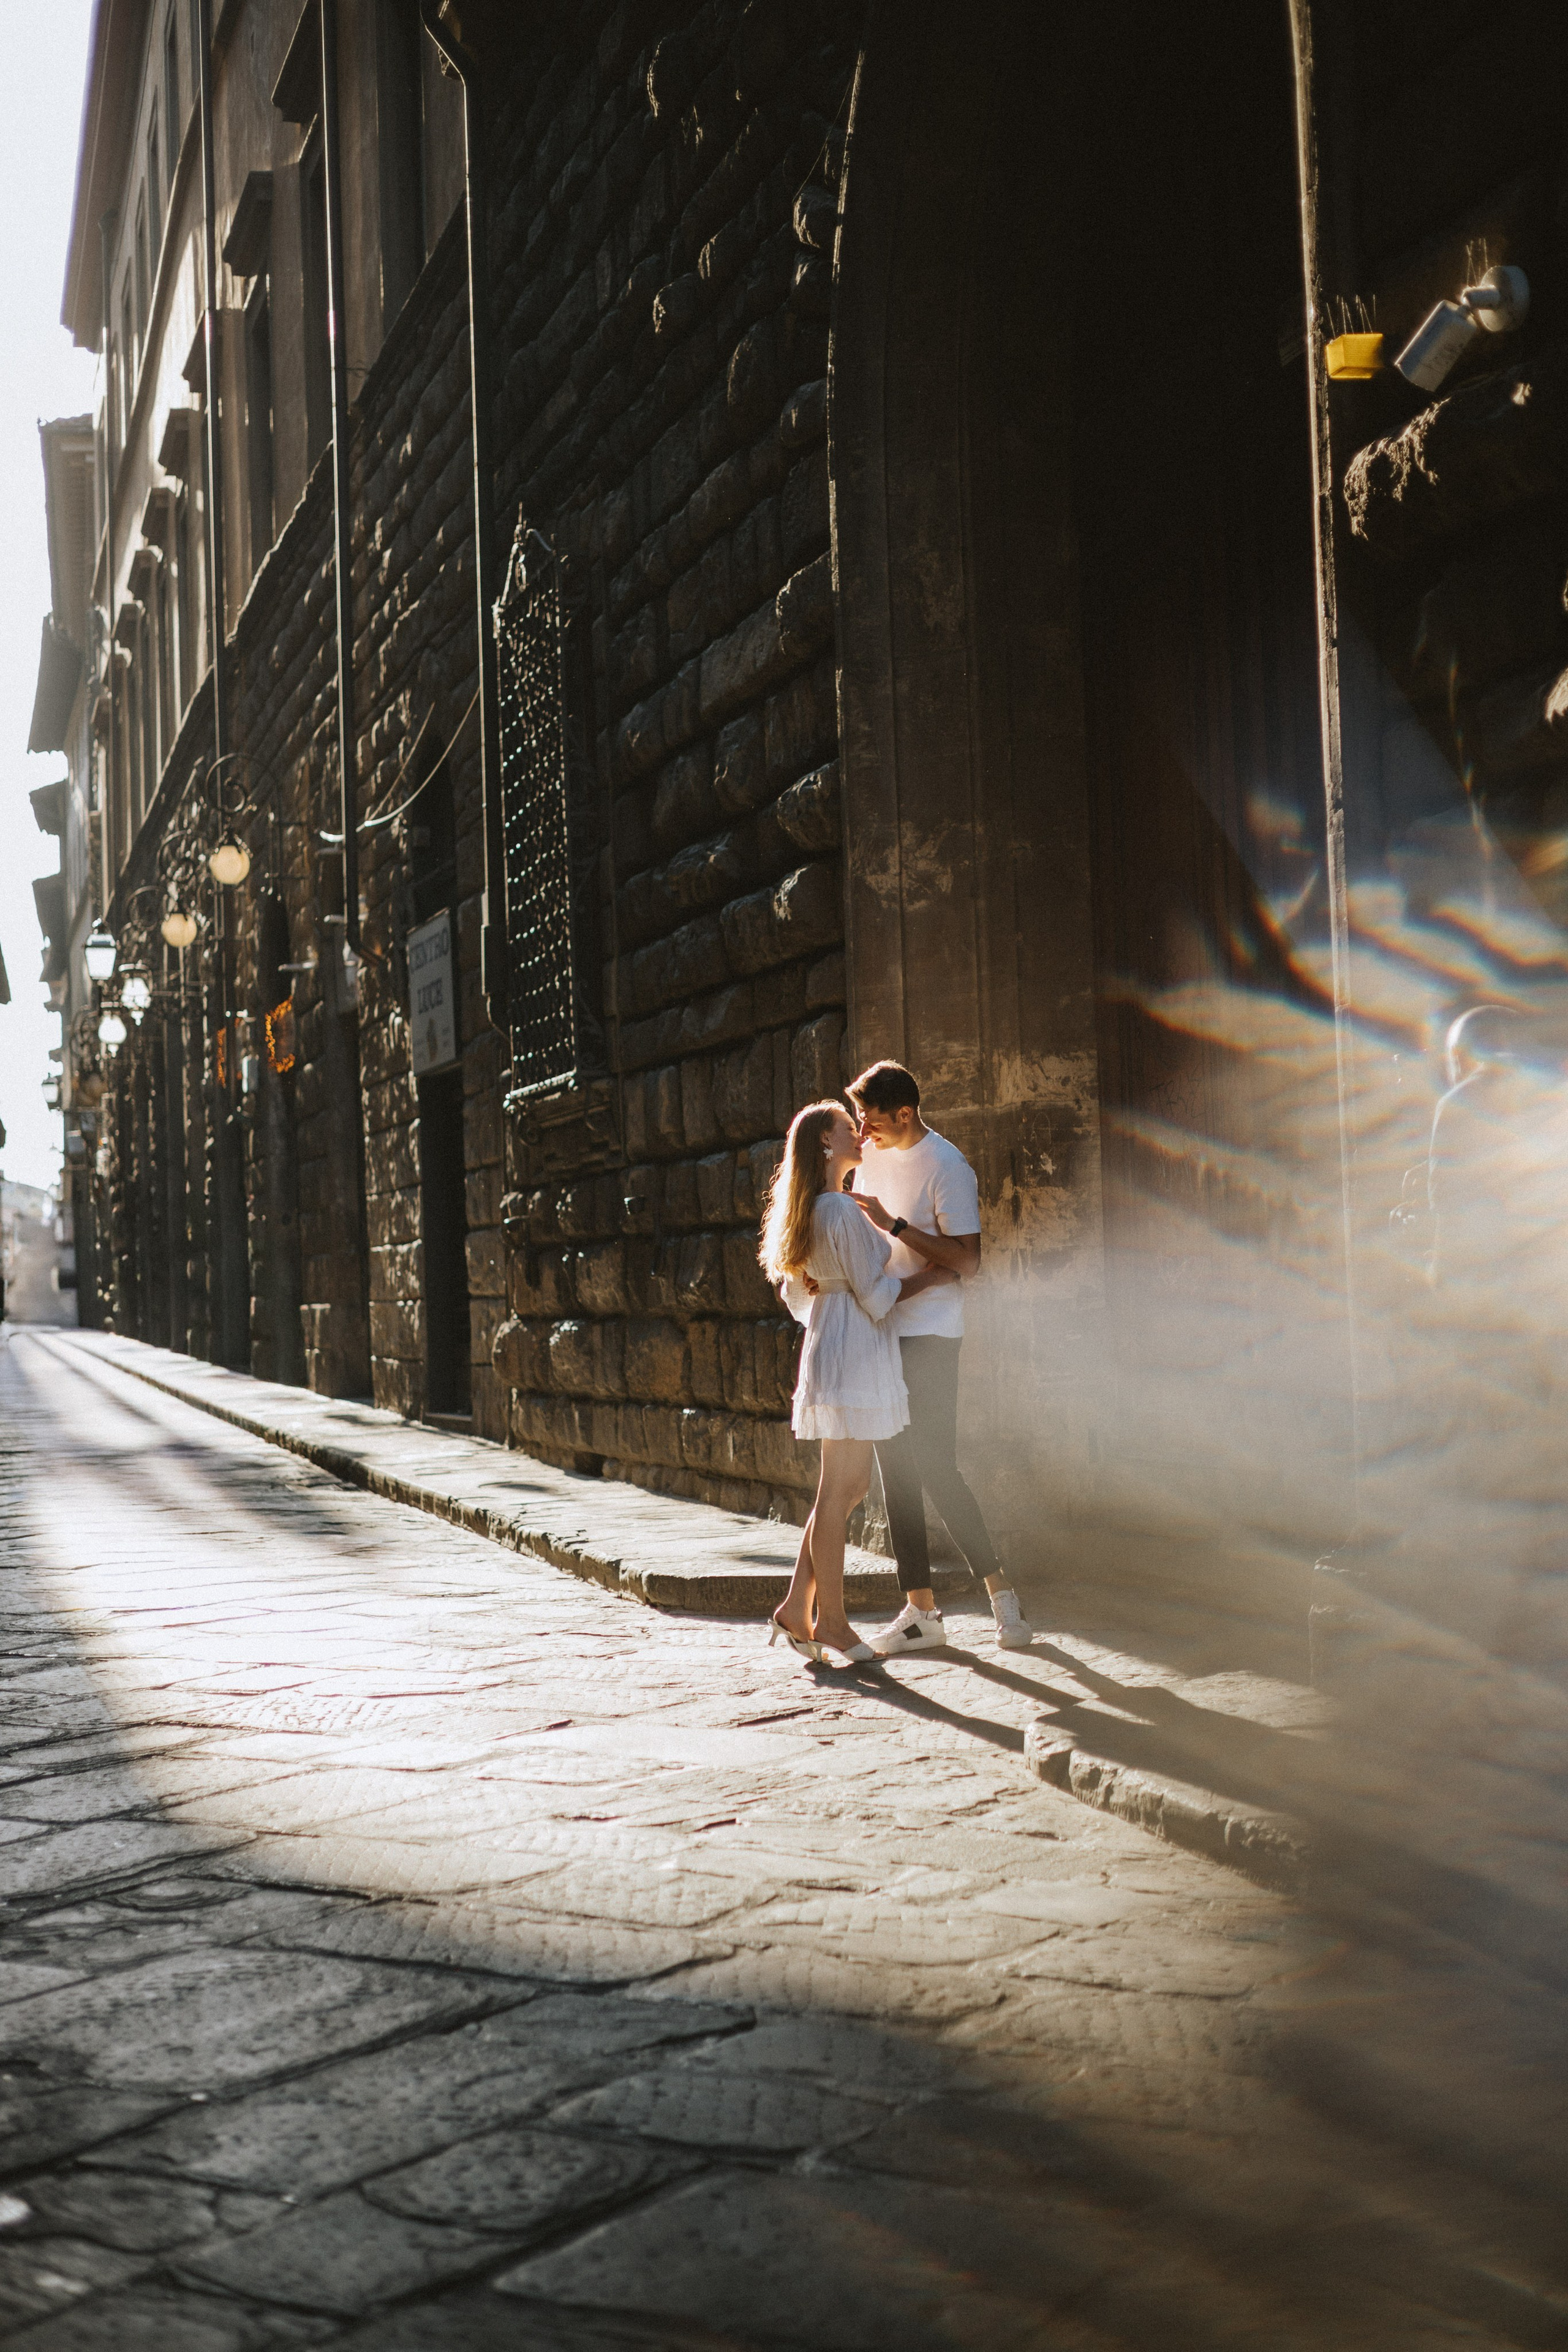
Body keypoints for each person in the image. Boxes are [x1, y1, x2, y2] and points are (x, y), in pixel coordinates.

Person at [759, 1098, 959, 1665]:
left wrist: (833, 1289)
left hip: (836, 1344)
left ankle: (798, 1607)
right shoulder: (841, 1212)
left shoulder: (815, 1210)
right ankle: (834, 1624)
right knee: (840, 1490)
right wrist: (930, 1278)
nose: (860, 1132)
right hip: (852, 1351)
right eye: (849, 1128)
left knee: (847, 1489)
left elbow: (797, 1297)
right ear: (825, 1143)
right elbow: (876, 1298)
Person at [845, 1059, 1036, 1653]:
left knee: (935, 1466)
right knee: (893, 1470)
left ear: (905, 1113)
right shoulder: (865, 1156)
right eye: (856, 1118)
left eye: (870, 1119)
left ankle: (1003, 1597)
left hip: (930, 1333)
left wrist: (894, 1225)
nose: (862, 1130)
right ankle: (920, 1611)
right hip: (877, 1328)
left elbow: (968, 1262)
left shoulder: (948, 1166)